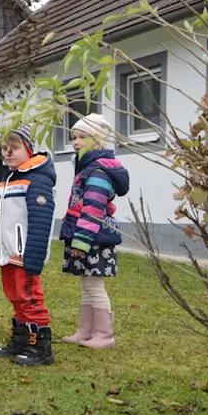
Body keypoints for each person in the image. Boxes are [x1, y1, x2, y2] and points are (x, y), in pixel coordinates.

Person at [59, 114, 129, 349]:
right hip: (89, 237)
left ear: (98, 141)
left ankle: (104, 334)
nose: (76, 142)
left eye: (82, 137)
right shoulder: (88, 168)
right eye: (74, 137)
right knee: (87, 284)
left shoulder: (97, 172)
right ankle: (85, 330)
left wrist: (81, 242)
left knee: (94, 286)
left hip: (94, 239)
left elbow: (93, 210)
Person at [0, 126, 58, 366]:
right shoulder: (10, 178)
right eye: (5, 149)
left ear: (29, 149)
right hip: (8, 253)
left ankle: (41, 346)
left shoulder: (36, 180)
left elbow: (41, 221)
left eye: (15, 148)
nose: (8, 153)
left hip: (24, 254)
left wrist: (34, 256)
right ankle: (21, 340)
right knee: (16, 297)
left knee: (29, 298)